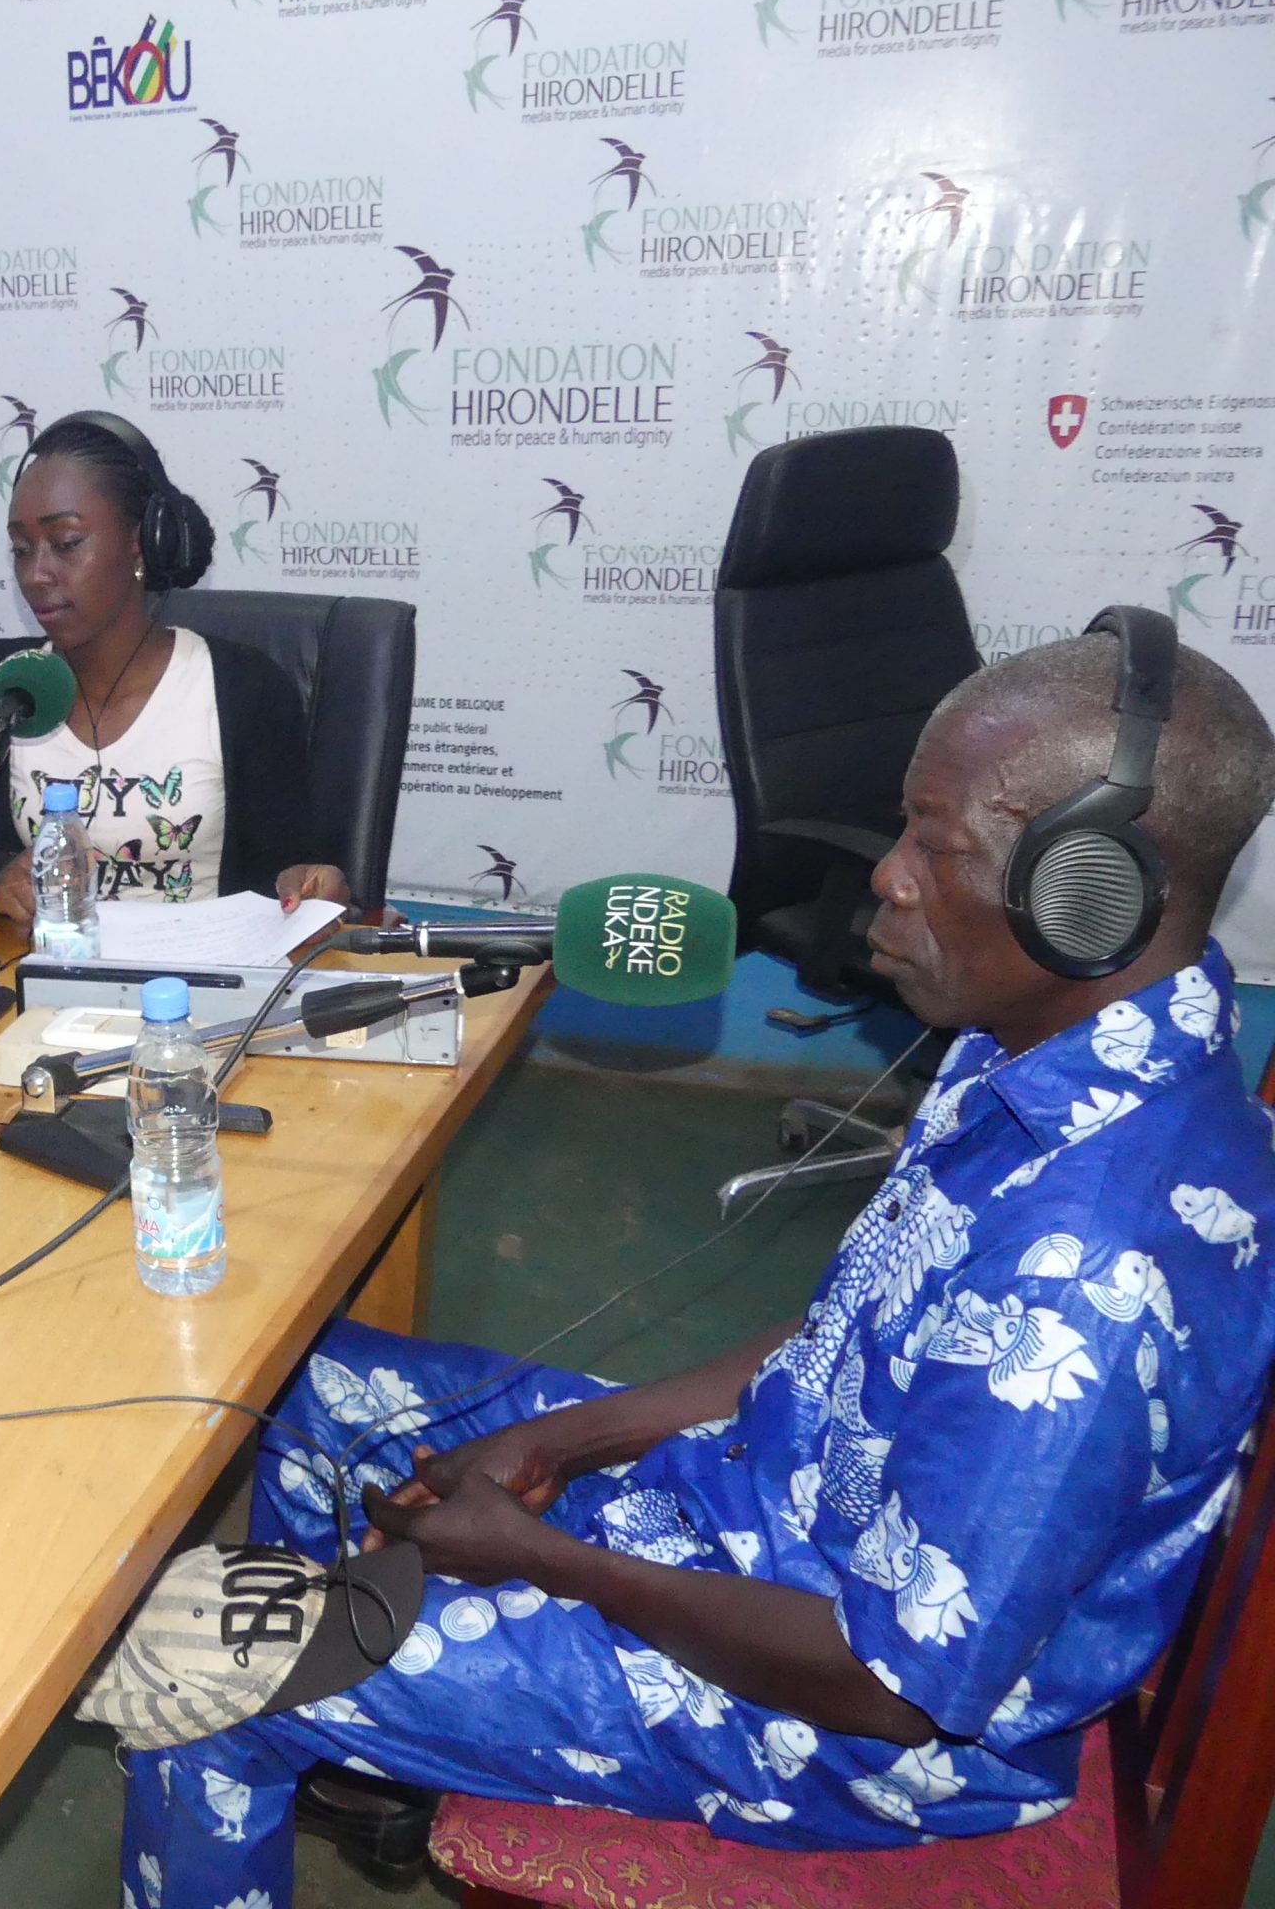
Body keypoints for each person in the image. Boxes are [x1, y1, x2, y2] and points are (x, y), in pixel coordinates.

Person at [116, 620, 1275, 1906]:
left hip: (841, 1721)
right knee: (288, 1394)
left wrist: (545, 1558)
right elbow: (838, 1342)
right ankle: (367, 1744)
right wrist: (562, 1443)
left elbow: (890, 1688)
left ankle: (312, 1711)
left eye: (935, 848)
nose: (886, 879)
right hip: (753, 1511)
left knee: (194, 1663)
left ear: (1087, 896)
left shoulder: (1094, 1266)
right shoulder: (1035, 1046)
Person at [0, 412, 353, 924]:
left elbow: (289, 866)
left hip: (198, 964)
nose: (35, 574)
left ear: (142, 543)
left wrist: (307, 882)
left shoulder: (242, 687)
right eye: (21, 549)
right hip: (49, 963)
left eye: (66, 543)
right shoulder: (6, 679)